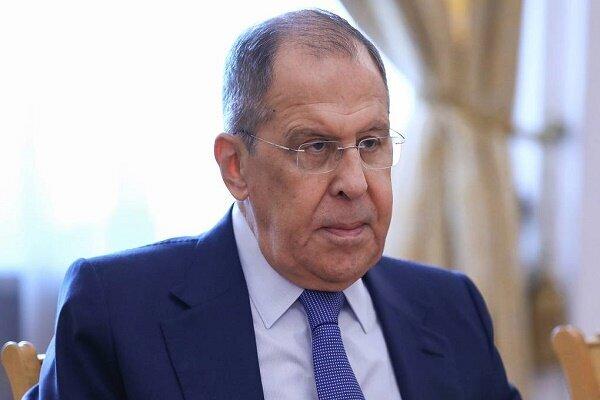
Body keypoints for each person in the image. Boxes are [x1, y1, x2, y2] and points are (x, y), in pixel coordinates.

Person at [25, 9, 521, 400]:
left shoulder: (451, 309)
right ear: (235, 167)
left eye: (371, 143)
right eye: (316, 147)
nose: (355, 183)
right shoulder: (117, 312)